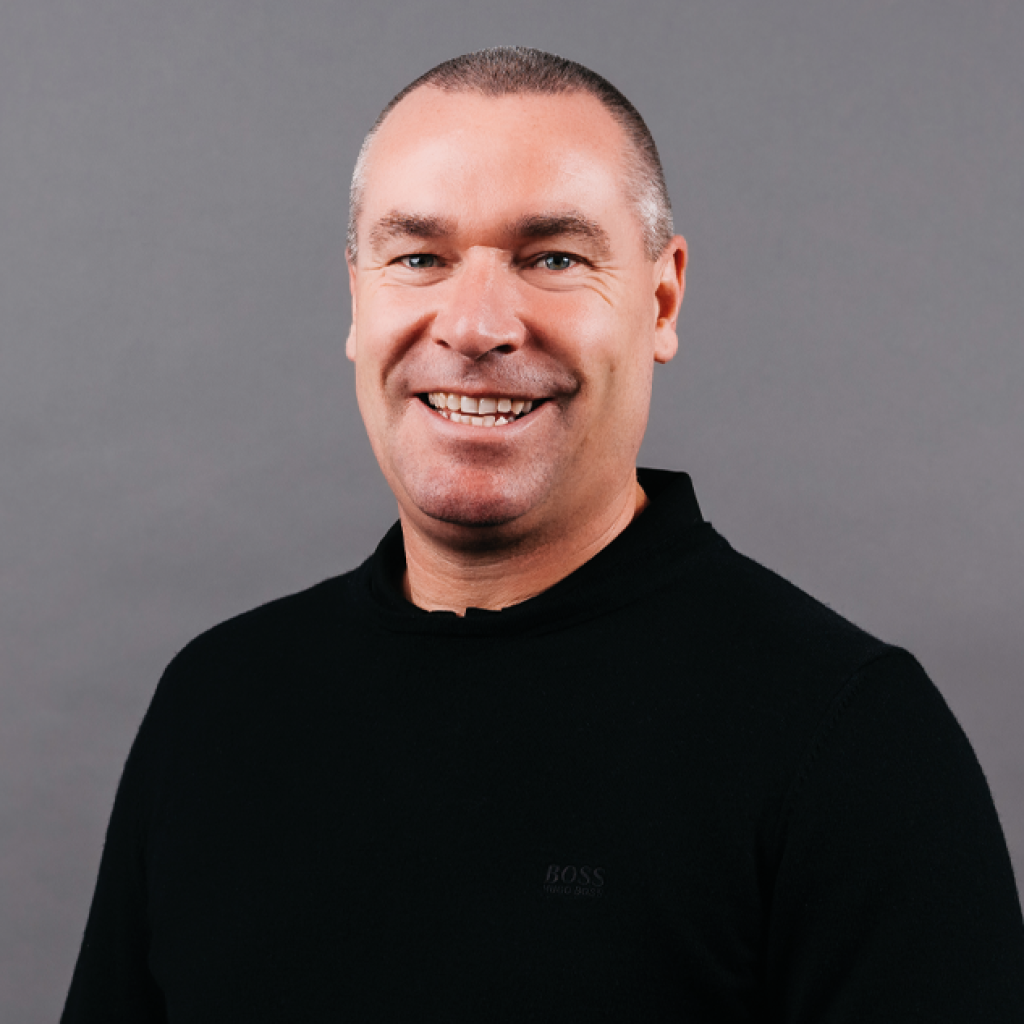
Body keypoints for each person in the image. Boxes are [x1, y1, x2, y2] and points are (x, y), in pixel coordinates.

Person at [62, 47, 1024, 1022]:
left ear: (661, 300)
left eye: (553, 258)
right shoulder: (216, 703)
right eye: (419, 258)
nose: (475, 325)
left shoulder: (850, 740)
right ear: (357, 298)